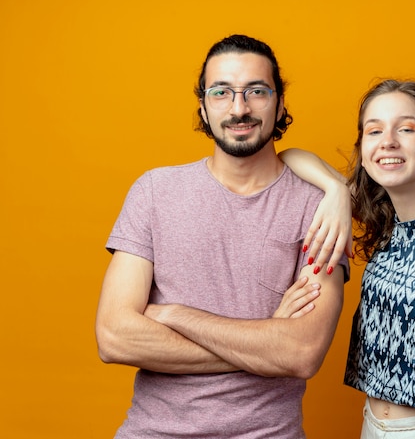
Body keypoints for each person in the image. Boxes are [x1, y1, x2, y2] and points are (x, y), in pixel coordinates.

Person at [95, 34, 349, 439]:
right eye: (221, 92)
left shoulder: (317, 208)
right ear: (203, 106)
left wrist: (175, 315)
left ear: (280, 103)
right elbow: (114, 337)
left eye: (256, 91)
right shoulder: (154, 192)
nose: (239, 108)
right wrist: (265, 339)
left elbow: (301, 352)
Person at [280, 79, 415, 438]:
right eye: (374, 130)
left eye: (407, 128)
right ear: (364, 152)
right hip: (372, 426)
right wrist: (337, 188)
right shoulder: (383, 224)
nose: (388, 141)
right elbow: (288, 156)